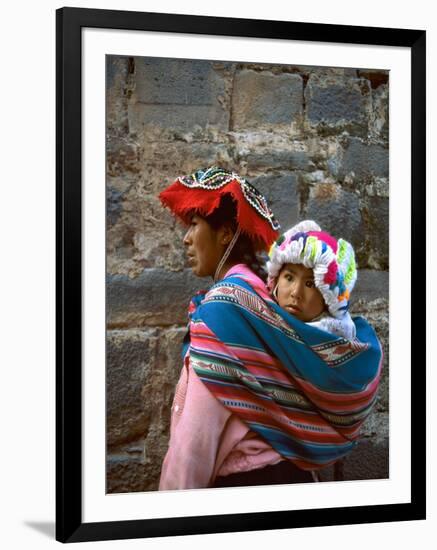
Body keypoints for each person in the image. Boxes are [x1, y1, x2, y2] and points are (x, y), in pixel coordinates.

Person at [158, 167, 382, 491]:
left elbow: (195, 442)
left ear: (225, 233)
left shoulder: (225, 310)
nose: (186, 237)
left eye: (194, 224)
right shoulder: (262, 300)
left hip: (245, 490)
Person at [266, 220, 358, 341]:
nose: (296, 293)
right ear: (276, 279)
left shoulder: (345, 343)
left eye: (310, 284)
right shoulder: (255, 323)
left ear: (329, 300)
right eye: (289, 278)